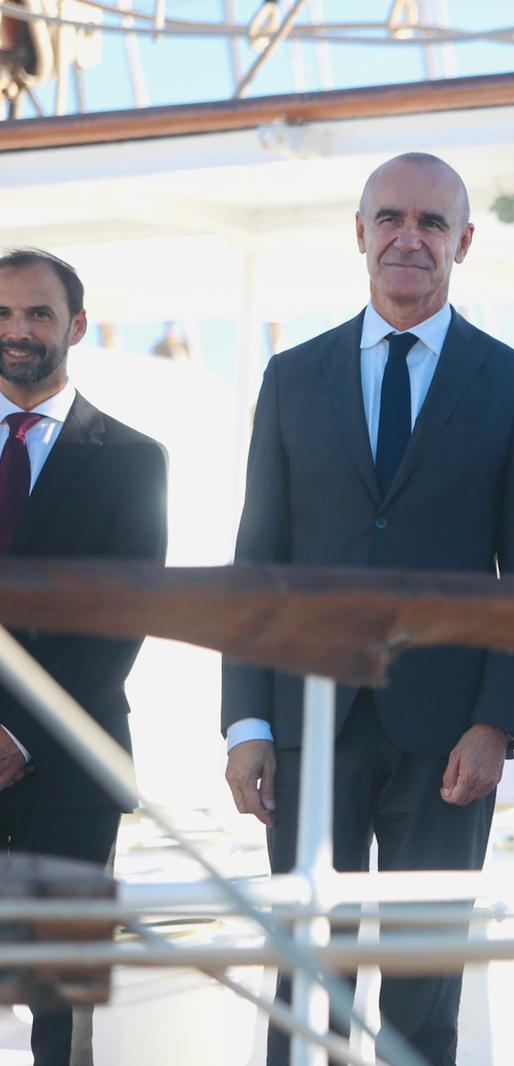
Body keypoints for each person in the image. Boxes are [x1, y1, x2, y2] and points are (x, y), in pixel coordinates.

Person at [221, 153, 514, 1066]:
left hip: (451, 733)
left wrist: (498, 721)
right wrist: (246, 720)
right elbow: (257, 562)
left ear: (464, 242)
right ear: (361, 231)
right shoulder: (292, 379)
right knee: (306, 974)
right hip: (306, 720)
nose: (409, 238)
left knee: (424, 976)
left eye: (432, 223)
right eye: (391, 219)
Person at [0, 247, 168, 1066]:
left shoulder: (133, 461)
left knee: (59, 1015)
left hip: (70, 768)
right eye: (2, 314)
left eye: (36, 313)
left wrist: (20, 735)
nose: (17, 331)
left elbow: (120, 621)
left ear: (76, 325)